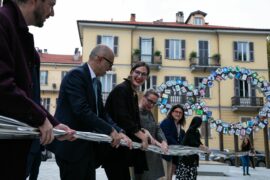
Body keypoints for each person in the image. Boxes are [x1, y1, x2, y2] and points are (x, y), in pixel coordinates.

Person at [0, 0, 75, 179]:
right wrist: (40, 118)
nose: (52, 13)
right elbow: (3, 86)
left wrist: (53, 123)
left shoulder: (23, 39)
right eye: (51, 4)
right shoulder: (2, 22)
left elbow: (28, 97)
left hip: (13, 156)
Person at [51, 44, 132, 180]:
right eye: (110, 63)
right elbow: (82, 111)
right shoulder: (76, 76)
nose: (110, 68)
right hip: (71, 148)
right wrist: (110, 131)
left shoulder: (97, 83)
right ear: (100, 59)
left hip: (87, 149)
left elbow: (101, 113)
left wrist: (119, 131)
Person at [103, 61, 152, 180]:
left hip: (122, 149)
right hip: (114, 148)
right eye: (137, 72)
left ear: (146, 78)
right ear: (131, 73)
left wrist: (145, 134)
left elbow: (134, 120)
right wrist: (142, 136)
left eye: (143, 74)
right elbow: (123, 118)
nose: (139, 76)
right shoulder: (122, 89)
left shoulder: (132, 93)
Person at [135, 89, 168, 180]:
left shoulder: (149, 113)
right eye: (150, 101)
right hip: (140, 155)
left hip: (152, 155)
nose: (152, 105)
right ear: (143, 97)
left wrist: (164, 141)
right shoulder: (134, 112)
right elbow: (137, 130)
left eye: (154, 103)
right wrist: (158, 143)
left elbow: (157, 128)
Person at [160, 104, 186, 180]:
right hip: (163, 154)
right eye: (176, 111)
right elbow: (167, 136)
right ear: (172, 112)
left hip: (171, 155)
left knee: (169, 178)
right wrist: (179, 146)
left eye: (180, 113)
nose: (178, 114)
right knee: (164, 178)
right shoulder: (167, 122)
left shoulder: (178, 126)